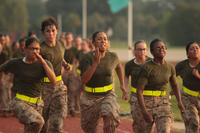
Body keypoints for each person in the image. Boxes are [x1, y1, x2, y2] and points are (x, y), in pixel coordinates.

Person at [0, 37, 56, 133]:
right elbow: (2, 68)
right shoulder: (16, 62)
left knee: (35, 129)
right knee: (38, 121)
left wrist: (43, 62)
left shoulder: (45, 64)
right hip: (20, 102)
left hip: (37, 104)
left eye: (37, 49)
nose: (35, 51)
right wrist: (2, 79)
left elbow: (53, 80)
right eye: (32, 48)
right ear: (25, 49)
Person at [79, 31, 127, 133]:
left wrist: (122, 85)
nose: (103, 41)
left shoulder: (113, 56)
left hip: (108, 95)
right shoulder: (86, 58)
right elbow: (83, 80)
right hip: (90, 97)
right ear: (93, 43)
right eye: (99, 39)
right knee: (89, 129)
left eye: (105, 39)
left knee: (111, 114)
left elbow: (118, 67)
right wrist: (96, 63)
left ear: (108, 42)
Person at [136, 38, 185, 133]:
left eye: (163, 47)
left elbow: (174, 86)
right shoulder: (146, 67)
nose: (161, 49)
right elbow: (139, 91)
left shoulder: (170, 67)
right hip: (147, 101)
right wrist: (144, 112)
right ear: (152, 51)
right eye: (158, 48)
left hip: (163, 102)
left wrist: (179, 102)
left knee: (165, 130)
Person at [40, 17, 70, 133]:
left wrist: (66, 64)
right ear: (43, 33)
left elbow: (60, 57)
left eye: (53, 30)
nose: (51, 33)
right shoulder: (40, 48)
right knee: (42, 122)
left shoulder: (61, 44)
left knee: (58, 119)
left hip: (59, 86)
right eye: (48, 31)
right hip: (44, 87)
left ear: (57, 31)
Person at [124, 40, 151, 132]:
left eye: (144, 49)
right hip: (135, 96)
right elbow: (126, 76)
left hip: (150, 97)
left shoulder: (152, 62)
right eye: (139, 49)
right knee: (138, 123)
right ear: (135, 51)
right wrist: (125, 90)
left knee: (148, 124)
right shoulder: (129, 65)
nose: (142, 52)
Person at [175, 41, 200, 133]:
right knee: (194, 122)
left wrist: (198, 76)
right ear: (187, 53)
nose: (195, 50)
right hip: (187, 97)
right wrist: (173, 89)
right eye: (192, 49)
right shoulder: (182, 65)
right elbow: (170, 77)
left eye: (197, 48)